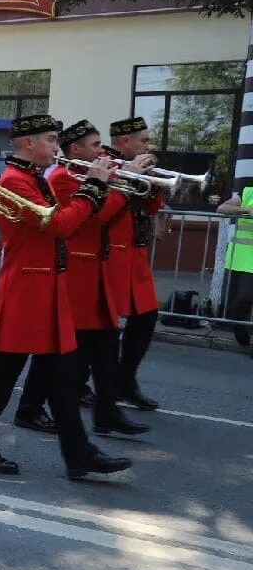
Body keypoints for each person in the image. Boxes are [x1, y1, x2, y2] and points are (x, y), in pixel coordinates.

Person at [0, 115, 131, 481]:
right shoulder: (16, 181)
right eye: (51, 140)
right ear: (28, 143)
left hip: (45, 287)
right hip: (27, 288)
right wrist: (94, 188)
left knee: (62, 380)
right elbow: (62, 226)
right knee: (3, 375)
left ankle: (78, 453)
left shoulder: (32, 178)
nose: (56, 146)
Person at [17, 120, 149, 435]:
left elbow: (119, 212)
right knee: (62, 355)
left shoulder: (87, 175)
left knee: (105, 348)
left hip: (98, 270)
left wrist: (132, 182)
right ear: (75, 149)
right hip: (78, 271)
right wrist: (116, 186)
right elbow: (96, 217)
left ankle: (107, 412)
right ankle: (32, 409)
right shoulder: (63, 178)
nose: (102, 151)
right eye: (94, 146)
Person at [105, 117, 166, 409]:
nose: (148, 146)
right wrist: (131, 175)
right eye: (143, 140)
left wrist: (154, 182)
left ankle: (125, 380)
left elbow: (151, 208)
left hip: (135, 254)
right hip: (112, 254)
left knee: (146, 317)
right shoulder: (104, 163)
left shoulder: (137, 166)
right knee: (102, 326)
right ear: (125, 141)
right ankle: (89, 386)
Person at [217, 182, 253, 350]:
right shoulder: (247, 191)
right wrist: (246, 211)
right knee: (239, 302)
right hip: (241, 258)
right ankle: (240, 331)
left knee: (245, 298)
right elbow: (222, 208)